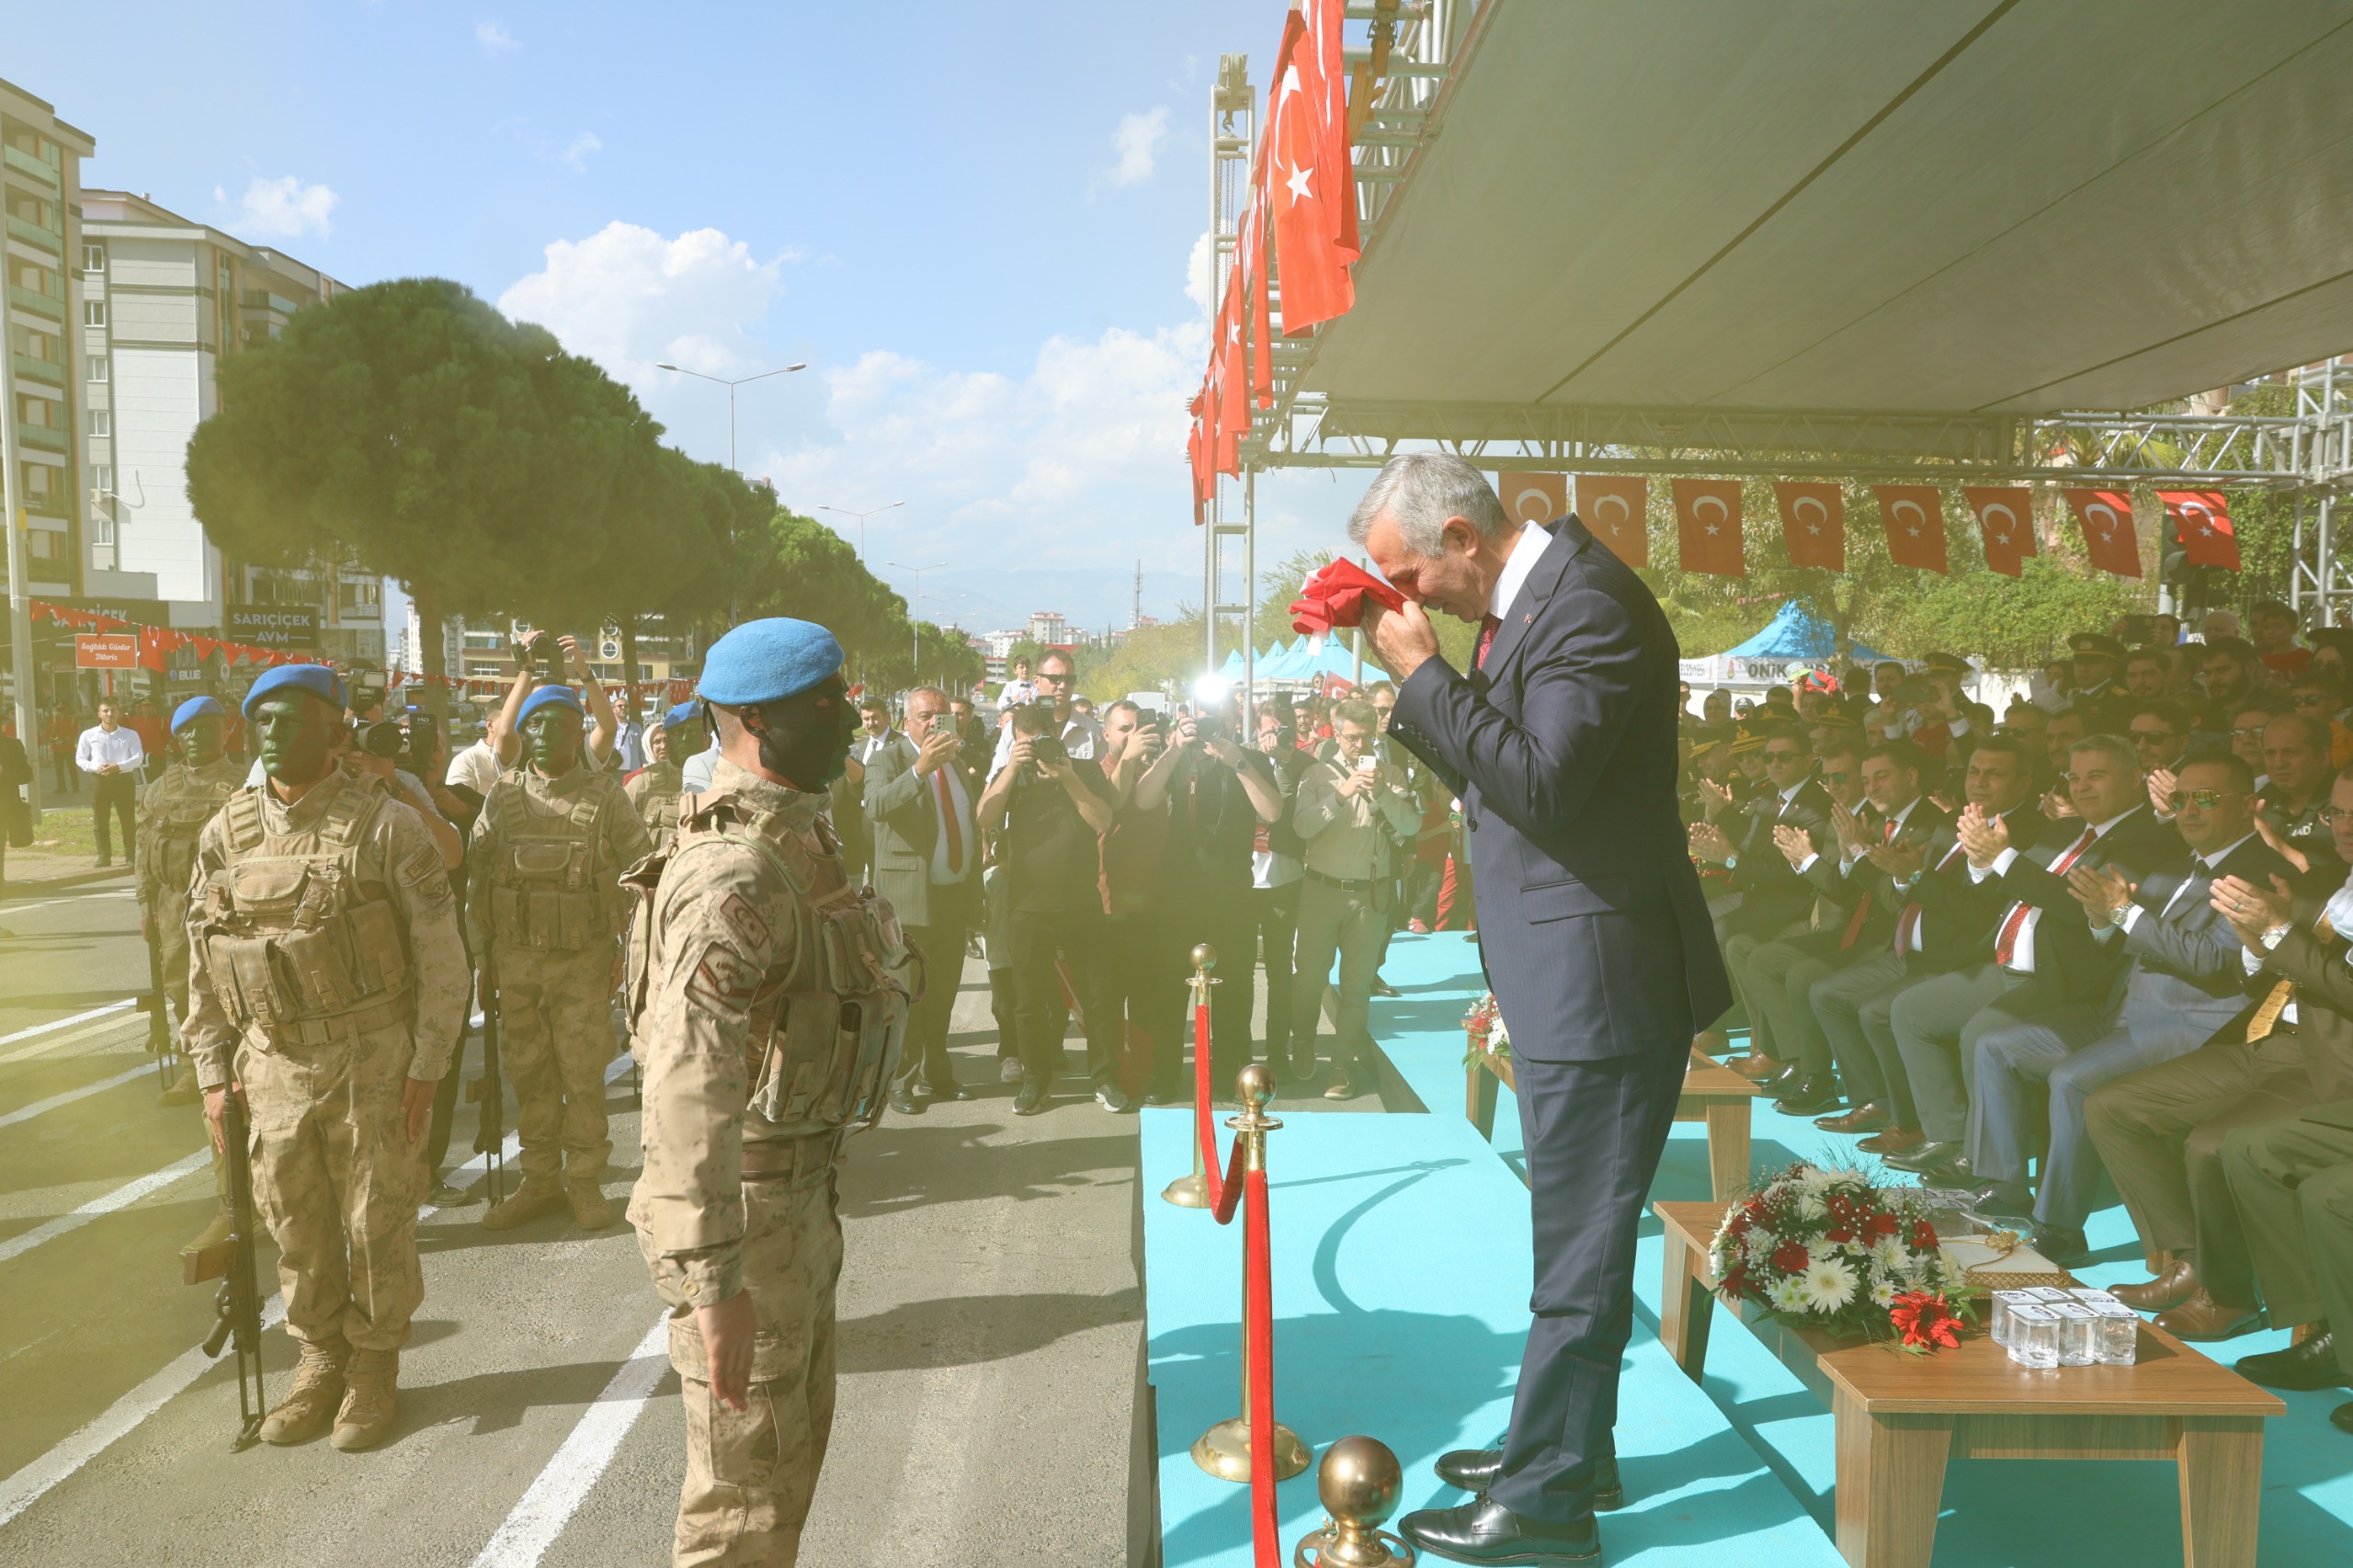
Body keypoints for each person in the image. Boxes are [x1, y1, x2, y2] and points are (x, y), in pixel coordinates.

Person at [1353, 453, 1727, 1562]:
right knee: (1575, 1237)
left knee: (1579, 1249)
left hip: (1602, 978)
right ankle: (1573, 1443)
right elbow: (1496, 774)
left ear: (1462, 534)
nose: (1407, 597)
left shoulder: (1588, 605)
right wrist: (1424, 688)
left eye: (1410, 571)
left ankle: (1547, 1497)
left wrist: (1426, 678)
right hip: (1575, 966)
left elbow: (1545, 780)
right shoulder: (1537, 601)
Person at [627, 618, 911, 1567]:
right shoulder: (733, 870)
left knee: (783, 1470)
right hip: (751, 1219)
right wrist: (713, 1282)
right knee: (742, 1499)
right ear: (755, 718)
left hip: (799, 1202)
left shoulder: (796, 833)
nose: (849, 716)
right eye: (822, 703)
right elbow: (683, 1088)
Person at [185, 664, 469, 1450]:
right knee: (296, 1224)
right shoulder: (225, 834)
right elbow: (202, 959)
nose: (274, 731)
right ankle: (319, 1359)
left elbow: (443, 959)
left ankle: (373, 1368)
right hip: (272, 1064)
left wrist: (429, 1066)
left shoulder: (389, 826)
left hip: (372, 1059)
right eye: (263, 719)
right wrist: (213, 1072)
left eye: (294, 718)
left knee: (377, 1222)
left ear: (336, 731)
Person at [1965, 751, 2288, 1264]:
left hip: (2184, 1025)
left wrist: (2121, 911)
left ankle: (2059, 1227)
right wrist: (2101, 918)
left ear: (2248, 803)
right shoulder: (2176, 865)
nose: (2188, 810)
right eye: (2179, 799)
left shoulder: (2263, 874)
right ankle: (2005, 1189)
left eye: (2205, 799)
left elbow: (2212, 961)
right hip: (2121, 1008)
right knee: (1995, 1045)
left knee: (2073, 1078)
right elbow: (2120, 941)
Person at [2090, 763, 2353, 1339]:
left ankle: (2231, 1296)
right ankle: (2194, 1262)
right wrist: (2260, 941)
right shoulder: (2328, 877)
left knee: (2211, 1145)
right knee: (2112, 1105)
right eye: (2337, 812)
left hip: (2328, 1065)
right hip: (2264, 1039)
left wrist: (2280, 933)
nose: (2344, 826)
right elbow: (2263, 965)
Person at [470, 684, 653, 1232]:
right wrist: (483, 960)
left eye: (559, 723)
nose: (546, 734)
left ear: (580, 732)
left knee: (582, 1074)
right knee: (529, 1075)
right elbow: (478, 881)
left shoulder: (606, 796)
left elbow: (644, 869)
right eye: (536, 724)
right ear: (524, 733)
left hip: (583, 962)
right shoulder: (502, 797)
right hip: (517, 962)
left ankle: (586, 1183)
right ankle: (540, 1180)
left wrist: (633, 953)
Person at [135, 694, 246, 1257]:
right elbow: (142, 845)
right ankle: (193, 1062)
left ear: (225, 733)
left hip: (224, 903)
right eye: (189, 732)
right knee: (180, 985)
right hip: (172, 902)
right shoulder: (158, 787)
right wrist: (144, 902)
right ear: (177, 739)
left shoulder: (242, 783)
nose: (199, 739)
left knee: (224, 988)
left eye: (209, 729)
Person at [976, 701, 1124, 1113]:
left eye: (1044, 741)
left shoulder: (1085, 769)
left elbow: (1103, 822)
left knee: (1097, 997)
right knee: (1029, 1002)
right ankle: (1036, 1081)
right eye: (1030, 744)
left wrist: (1068, 777)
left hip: (1080, 902)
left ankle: (1105, 1079)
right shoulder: (1013, 775)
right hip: (1026, 905)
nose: (1038, 750)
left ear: (1057, 737)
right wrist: (1009, 767)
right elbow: (985, 817)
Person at [1291, 699, 1424, 1099]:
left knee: (1357, 987)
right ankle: (1303, 1043)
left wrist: (1381, 791)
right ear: (1335, 730)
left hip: (1370, 897)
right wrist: (1341, 794)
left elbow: (1410, 823)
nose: (1359, 745)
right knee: (1310, 980)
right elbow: (1301, 827)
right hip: (1320, 890)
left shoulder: (1392, 775)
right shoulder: (1316, 775)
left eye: (1367, 737)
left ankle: (1343, 1066)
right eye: (1352, 737)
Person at [865, 685, 982, 1112]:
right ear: (907, 720)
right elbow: (875, 805)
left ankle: (940, 1072)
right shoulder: (887, 758)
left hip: (952, 898)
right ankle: (900, 1082)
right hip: (909, 902)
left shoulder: (957, 762)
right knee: (907, 996)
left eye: (942, 713)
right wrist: (919, 770)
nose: (936, 721)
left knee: (944, 993)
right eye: (927, 714)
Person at [988, 649, 1101, 774]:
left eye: (1069, 679)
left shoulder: (1093, 732)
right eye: (1054, 678)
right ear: (1036, 681)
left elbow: (1103, 786)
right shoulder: (1014, 728)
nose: (1063, 685)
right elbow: (993, 785)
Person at [77, 698, 145, 868]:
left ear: (119, 713)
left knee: (127, 819)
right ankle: (104, 856)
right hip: (100, 781)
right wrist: (96, 767)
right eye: (105, 711)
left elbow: (138, 758)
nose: (109, 714)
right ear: (99, 714)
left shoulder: (130, 735)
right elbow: (80, 758)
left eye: (113, 710)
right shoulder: (89, 735)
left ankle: (131, 856)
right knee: (100, 820)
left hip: (123, 780)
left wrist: (119, 766)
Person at [626, 702, 703, 846]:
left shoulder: (721, 780)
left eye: (694, 732)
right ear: (667, 740)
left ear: (706, 739)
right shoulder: (644, 783)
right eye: (678, 733)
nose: (685, 739)